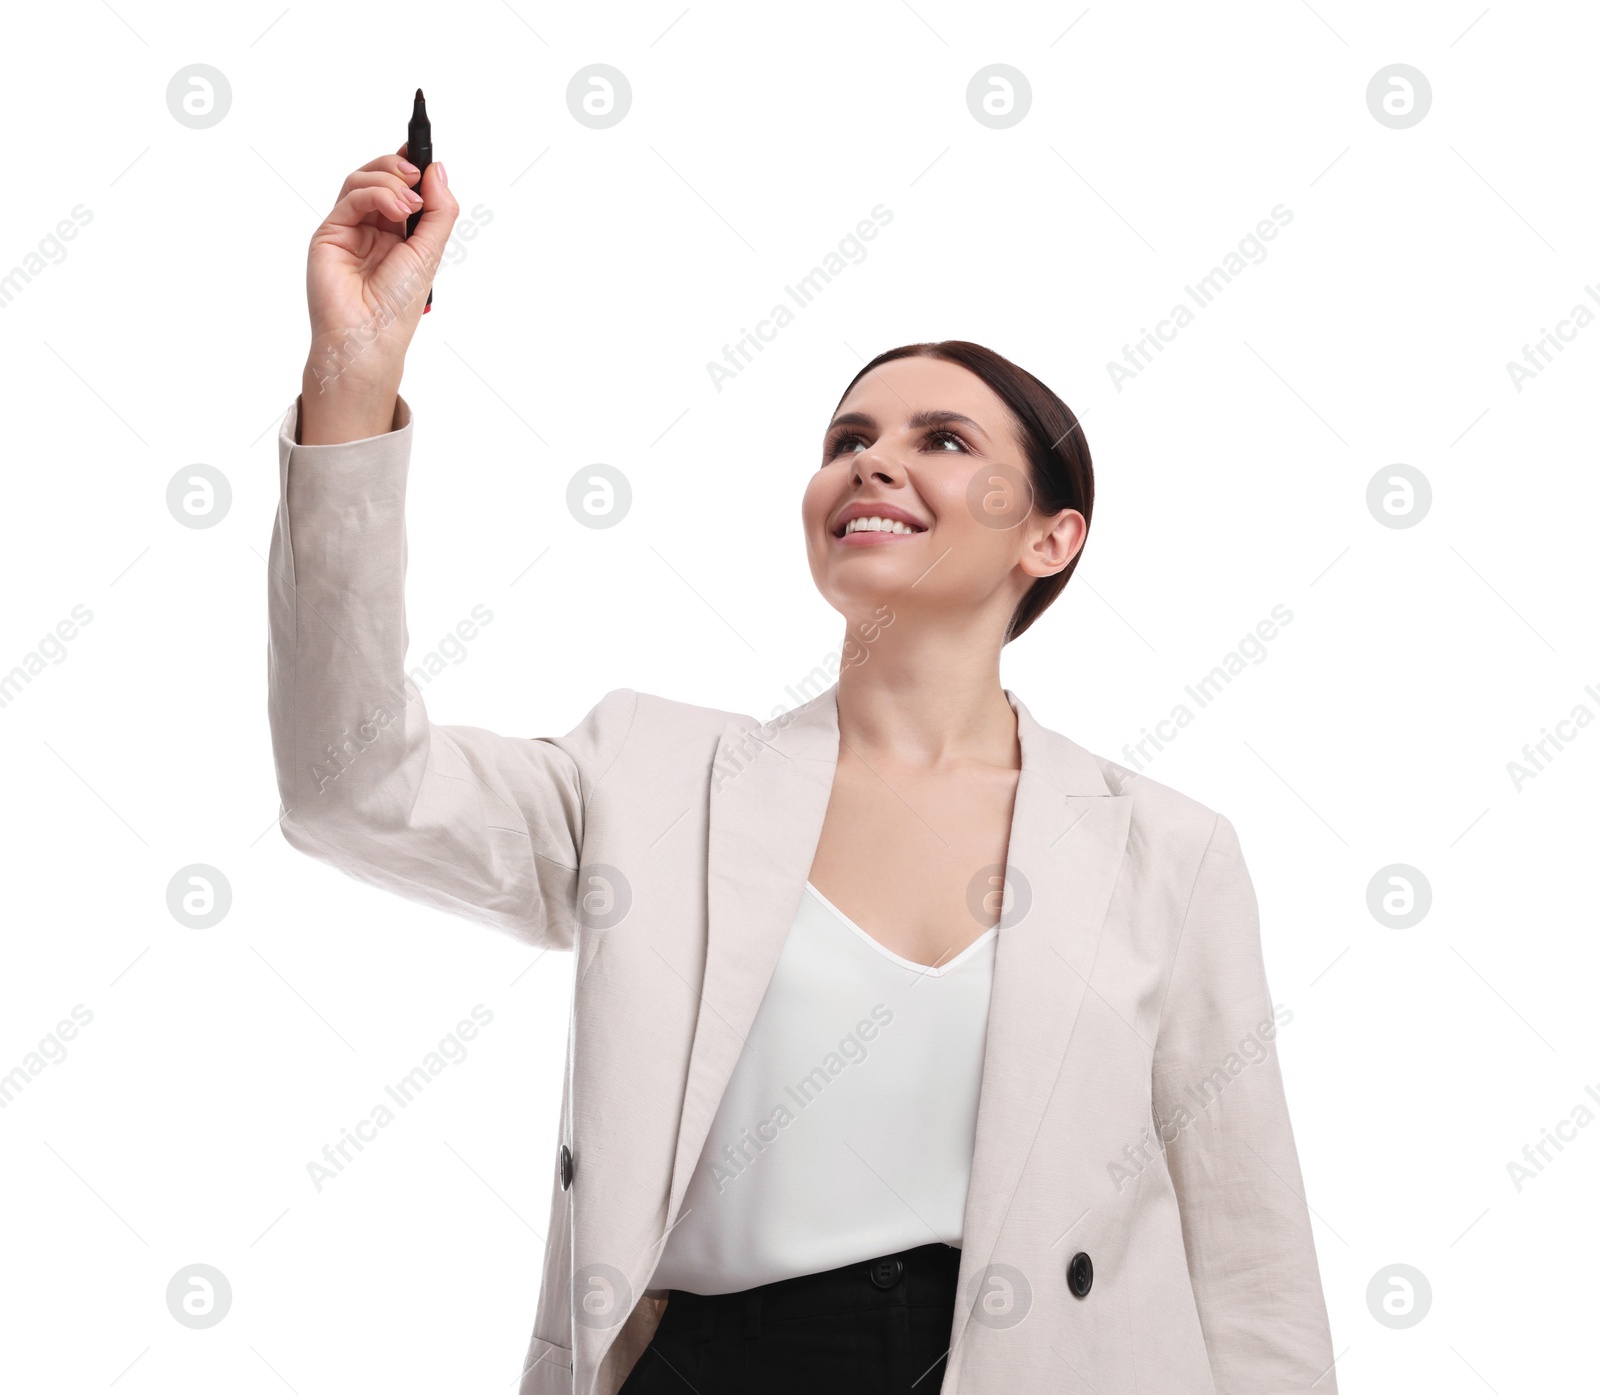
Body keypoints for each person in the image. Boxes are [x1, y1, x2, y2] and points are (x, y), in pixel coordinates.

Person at [268, 147, 1338, 1395]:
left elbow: (1251, 1257)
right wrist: (352, 375)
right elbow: (351, 788)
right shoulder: (653, 776)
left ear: (1052, 538)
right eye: (848, 438)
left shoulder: (1168, 850)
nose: (872, 463)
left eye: (941, 439)